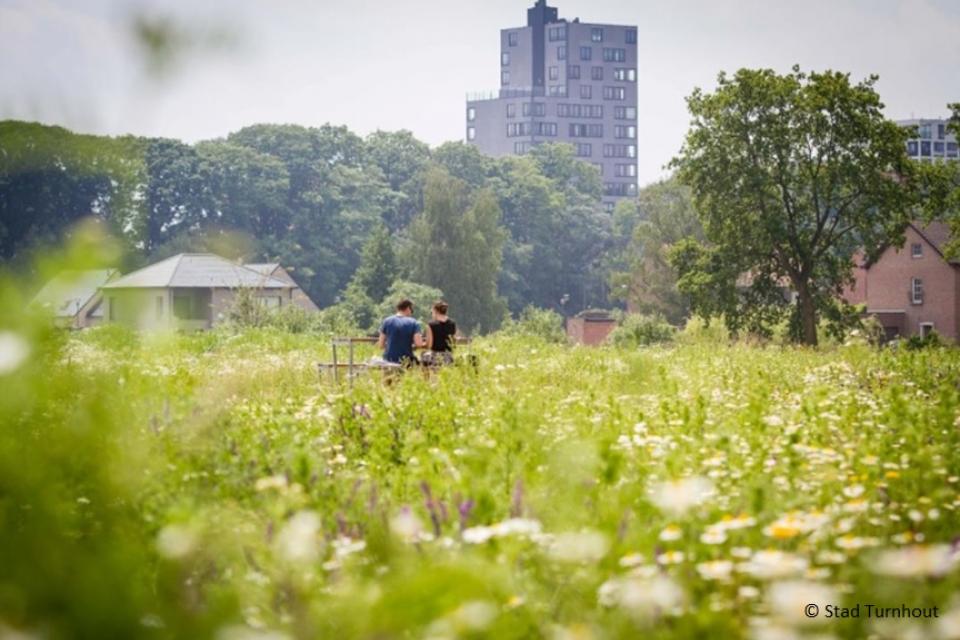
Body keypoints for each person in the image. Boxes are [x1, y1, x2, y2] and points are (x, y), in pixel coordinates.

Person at [378, 299, 425, 366]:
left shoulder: (387, 321)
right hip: (406, 360)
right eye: (412, 310)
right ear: (408, 308)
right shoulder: (414, 323)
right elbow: (419, 344)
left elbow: (380, 345)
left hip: (388, 359)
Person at [423, 301, 457, 366]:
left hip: (435, 356)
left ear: (436, 311)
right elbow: (453, 341)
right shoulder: (452, 323)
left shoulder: (431, 325)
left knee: (423, 357)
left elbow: (429, 345)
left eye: (432, 312)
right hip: (449, 357)